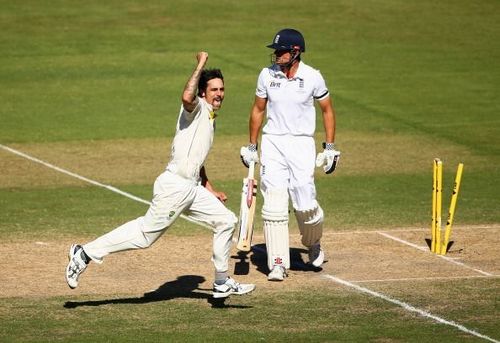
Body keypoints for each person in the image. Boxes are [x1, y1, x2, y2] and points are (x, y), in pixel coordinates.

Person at [65, 52, 255, 298]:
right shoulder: (196, 109)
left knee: (226, 221)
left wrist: (210, 189)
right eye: (214, 89)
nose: (219, 93)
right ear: (203, 93)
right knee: (145, 236)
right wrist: (200, 65)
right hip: (175, 187)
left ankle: (221, 282)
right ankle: (85, 253)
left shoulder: (210, 118)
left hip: (192, 188)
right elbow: (187, 96)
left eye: (222, 89)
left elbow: (197, 162)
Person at [240, 29, 340, 281]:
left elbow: (327, 111)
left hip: (301, 144)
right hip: (273, 142)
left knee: (304, 202)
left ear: (295, 52)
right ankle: (277, 262)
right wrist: (252, 146)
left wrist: (329, 147)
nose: (276, 55)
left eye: (281, 51)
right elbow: (258, 110)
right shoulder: (267, 75)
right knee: (273, 202)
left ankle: (313, 243)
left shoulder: (313, 77)